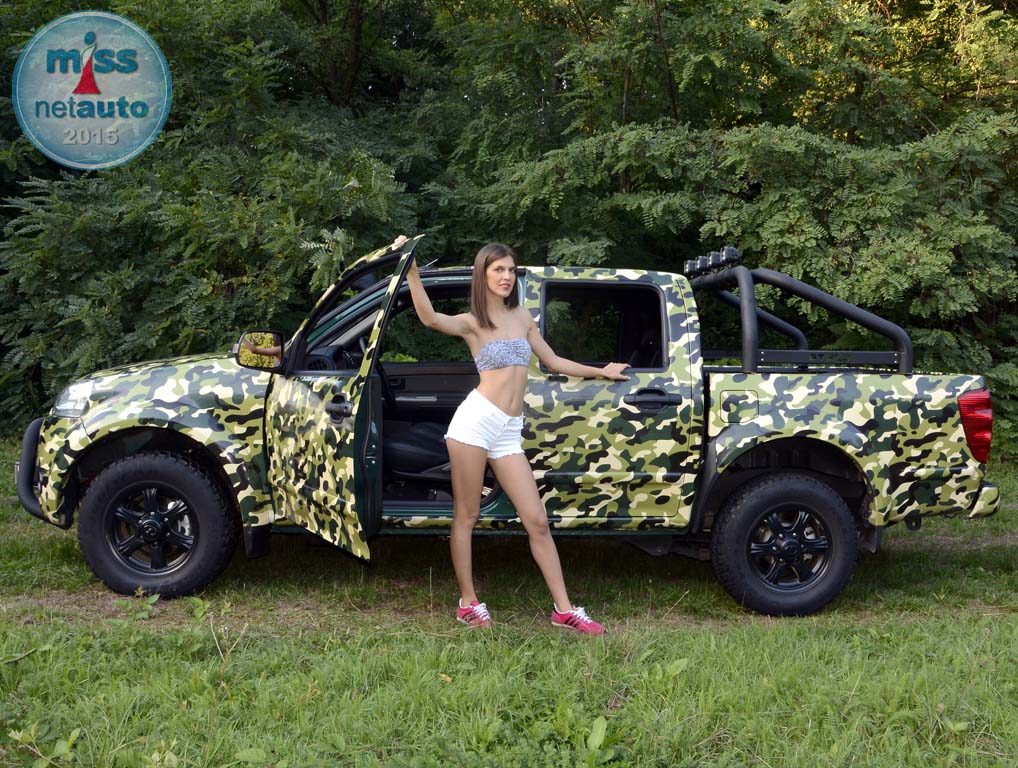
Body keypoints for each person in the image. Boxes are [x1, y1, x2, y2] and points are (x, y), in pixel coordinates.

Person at [395, 234, 630, 634]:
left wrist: (601, 371)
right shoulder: (472, 322)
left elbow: (552, 360)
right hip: (475, 423)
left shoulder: (521, 317)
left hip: (508, 430)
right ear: (483, 275)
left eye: (510, 270)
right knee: (467, 516)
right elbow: (430, 318)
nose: (506, 276)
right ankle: (468, 603)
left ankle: (564, 610)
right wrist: (411, 269)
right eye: (498, 269)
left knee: (536, 520)